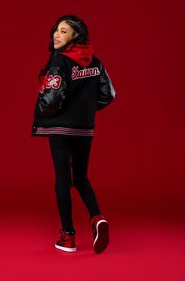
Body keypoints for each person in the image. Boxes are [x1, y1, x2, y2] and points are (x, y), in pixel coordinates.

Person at [30, 14, 116, 253]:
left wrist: (45, 113)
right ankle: (97, 217)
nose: (56, 34)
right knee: (81, 177)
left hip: (60, 127)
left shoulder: (60, 61)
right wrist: (85, 110)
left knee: (62, 179)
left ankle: (68, 238)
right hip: (84, 127)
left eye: (64, 31)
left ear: (76, 35)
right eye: (56, 30)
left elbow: (51, 98)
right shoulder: (96, 62)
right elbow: (108, 94)